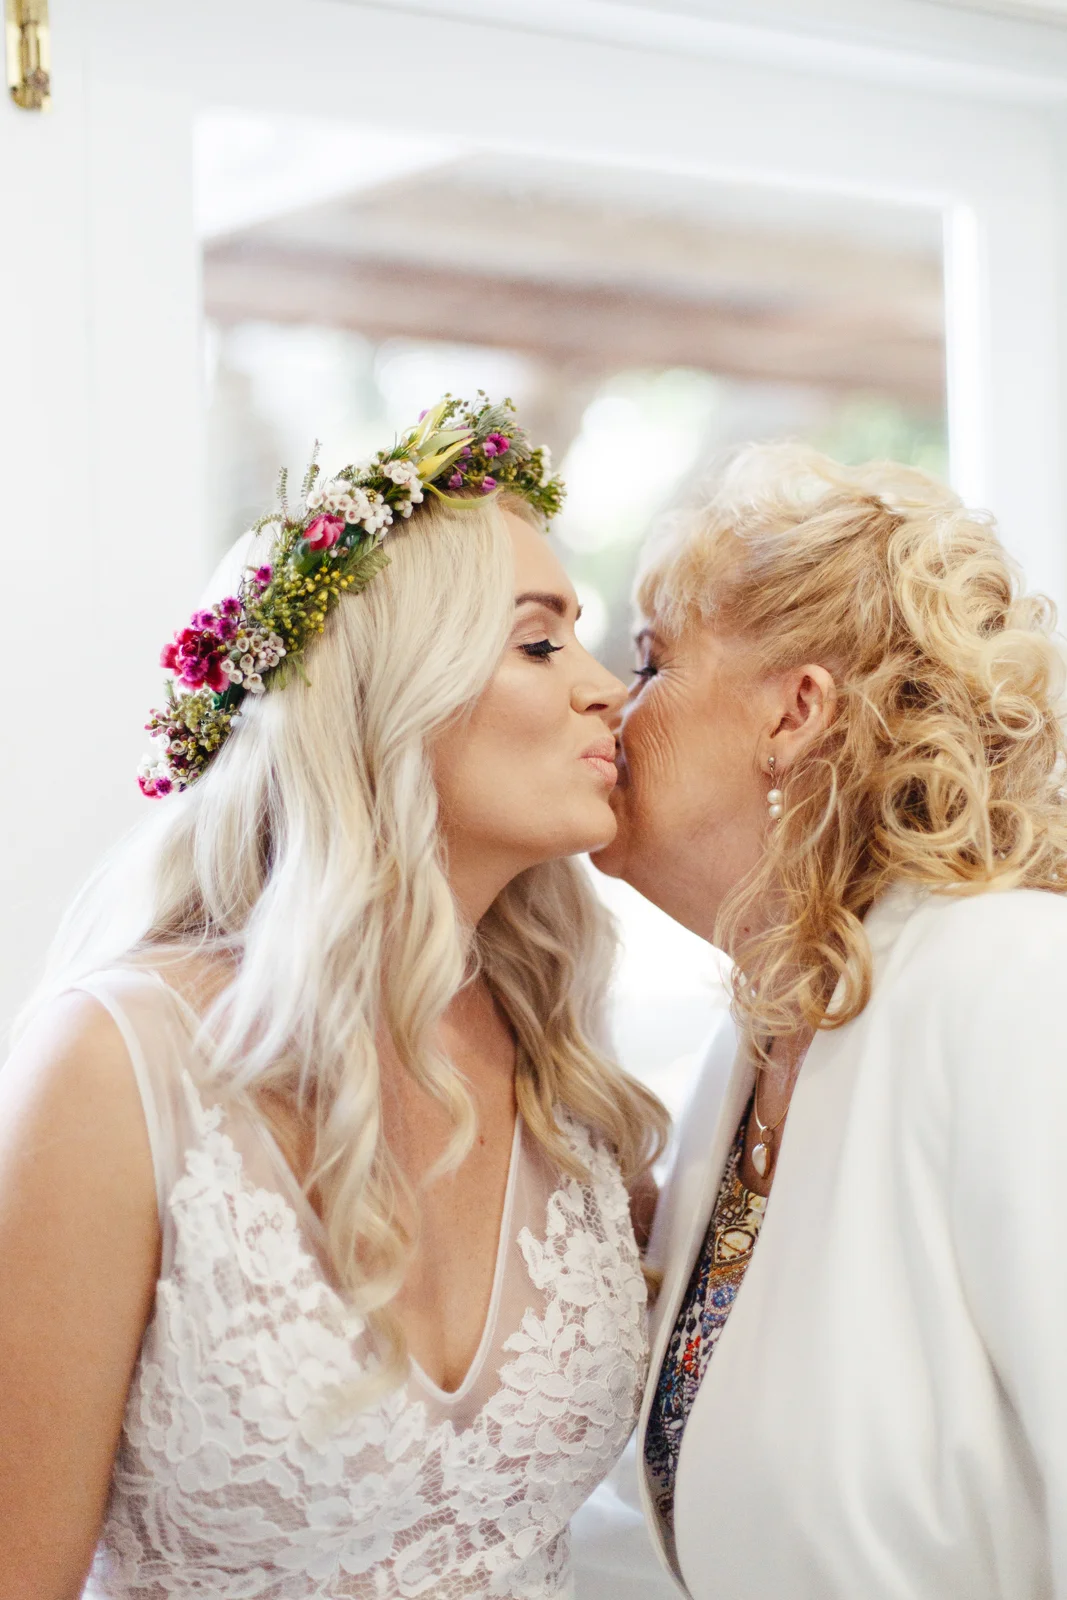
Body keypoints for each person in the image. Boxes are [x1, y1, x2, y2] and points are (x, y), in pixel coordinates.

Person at [0, 396, 667, 1600]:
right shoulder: (115, 1068)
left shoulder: (559, 1064)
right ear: (384, 690)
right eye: (538, 643)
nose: (605, 689)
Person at [593, 441, 1067, 1600]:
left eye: (649, 662)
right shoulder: (753, 1038)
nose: (608, 704)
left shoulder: (1012, 983)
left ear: (794, 711)